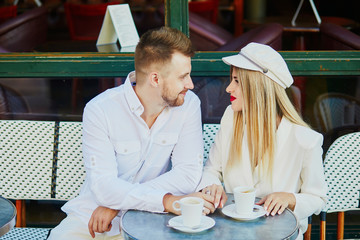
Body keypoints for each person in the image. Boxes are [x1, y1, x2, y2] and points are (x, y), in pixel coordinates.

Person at [48, 26, 215, 240]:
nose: (190, 84)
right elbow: (103, 187)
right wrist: (164, 200)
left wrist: (119, 205)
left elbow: (188, 173)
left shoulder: (189, 105)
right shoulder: (100, 109)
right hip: (90, 219)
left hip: (151, 220)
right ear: (155, 79)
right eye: (183, 77)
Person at [196, 42, 327, 237]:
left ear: (258, 87)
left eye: (237, 81)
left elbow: (318, 199)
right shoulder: (230, 119)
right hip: (233, 233)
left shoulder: (305, 140)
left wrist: (290, 198)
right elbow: (212, 170)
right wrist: (211, 185)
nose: (228, 88)